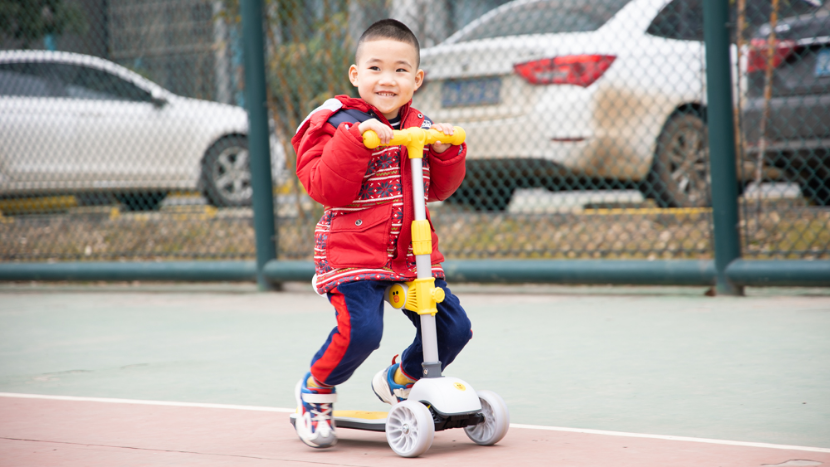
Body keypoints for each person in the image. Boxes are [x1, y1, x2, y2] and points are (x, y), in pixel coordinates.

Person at [290, 18, 472, 449]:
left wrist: (447, 152)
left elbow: (441, 190)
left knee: (454, 329)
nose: (387, 79)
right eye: (375, 69)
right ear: (356, 75)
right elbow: (324, 187)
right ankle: (315, 389)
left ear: (417, 78)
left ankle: (400, 378)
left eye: (400, 70)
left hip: (412, 254)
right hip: (353, 252)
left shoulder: (422, 125)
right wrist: (356, 142)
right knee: (362, 331)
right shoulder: (336, 122)